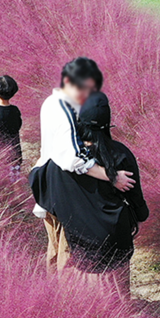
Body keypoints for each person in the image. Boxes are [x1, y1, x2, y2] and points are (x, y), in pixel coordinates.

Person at [29, 91, 147, 297]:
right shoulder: (121, 154)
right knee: (118, 302)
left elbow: (40, 187)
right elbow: (138, 205)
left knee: (87, 302)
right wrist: (137, 216)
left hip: (80, 245)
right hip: (116, 242)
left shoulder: (61, 162)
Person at [32, 57, 135, 272]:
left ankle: (54, 297)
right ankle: (70, 301)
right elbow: (72, 159)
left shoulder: (51, 101)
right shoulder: (65, 112)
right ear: (68, 81)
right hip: (64, 190)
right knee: (69, 252)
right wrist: (112, 176)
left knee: (56, 246)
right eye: (84, 88)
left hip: (50, 185)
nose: (86, 95)